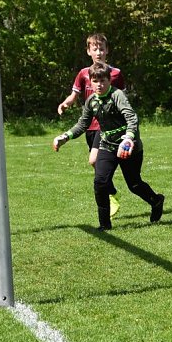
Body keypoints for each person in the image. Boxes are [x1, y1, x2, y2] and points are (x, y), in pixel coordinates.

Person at [53, 62, 164, 230]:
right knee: (100, 182)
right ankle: (105, 225)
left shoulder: (117, 95)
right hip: (107, 145)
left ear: (109, 81)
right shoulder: (91, 100)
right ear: (90, 82)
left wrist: (128, 139)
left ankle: (156, 201)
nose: (99, 84)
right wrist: (65, 137)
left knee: (134, 184)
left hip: (128, 146)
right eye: (95, 81)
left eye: (103, 81)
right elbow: (82, 124)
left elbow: (132, 118)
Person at [57, 33, 125, 216]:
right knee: (96, 163)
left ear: (107, 50)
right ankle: (110, 192)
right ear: (88, 52)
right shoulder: (83, 74)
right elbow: (74, 95)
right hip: (90, 127)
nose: (98, 52)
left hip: (107, 127)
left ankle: (110, 195)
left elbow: (122, 99)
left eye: (101, 48)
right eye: (94, 49)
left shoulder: (116, 73)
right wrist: (65, 104)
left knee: (94, 160)